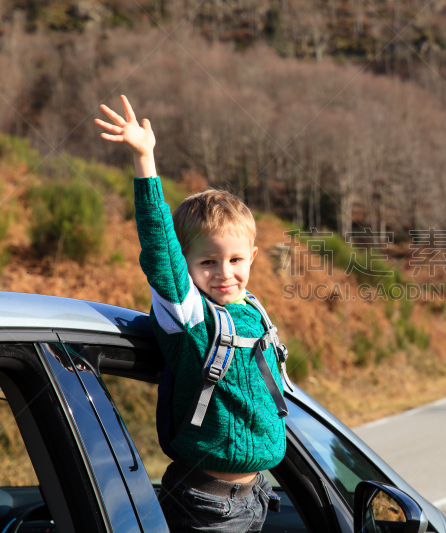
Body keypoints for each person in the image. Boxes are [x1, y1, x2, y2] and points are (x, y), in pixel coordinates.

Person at [94, 95, 285, 533]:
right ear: (186, 264)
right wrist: (145, 159)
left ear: (253, 256)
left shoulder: (251, 310)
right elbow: (160, 248)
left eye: (236, 260)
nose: (224, 273)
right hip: (208, 504)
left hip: (257, 495)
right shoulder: (190, 314)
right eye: (207, 263)